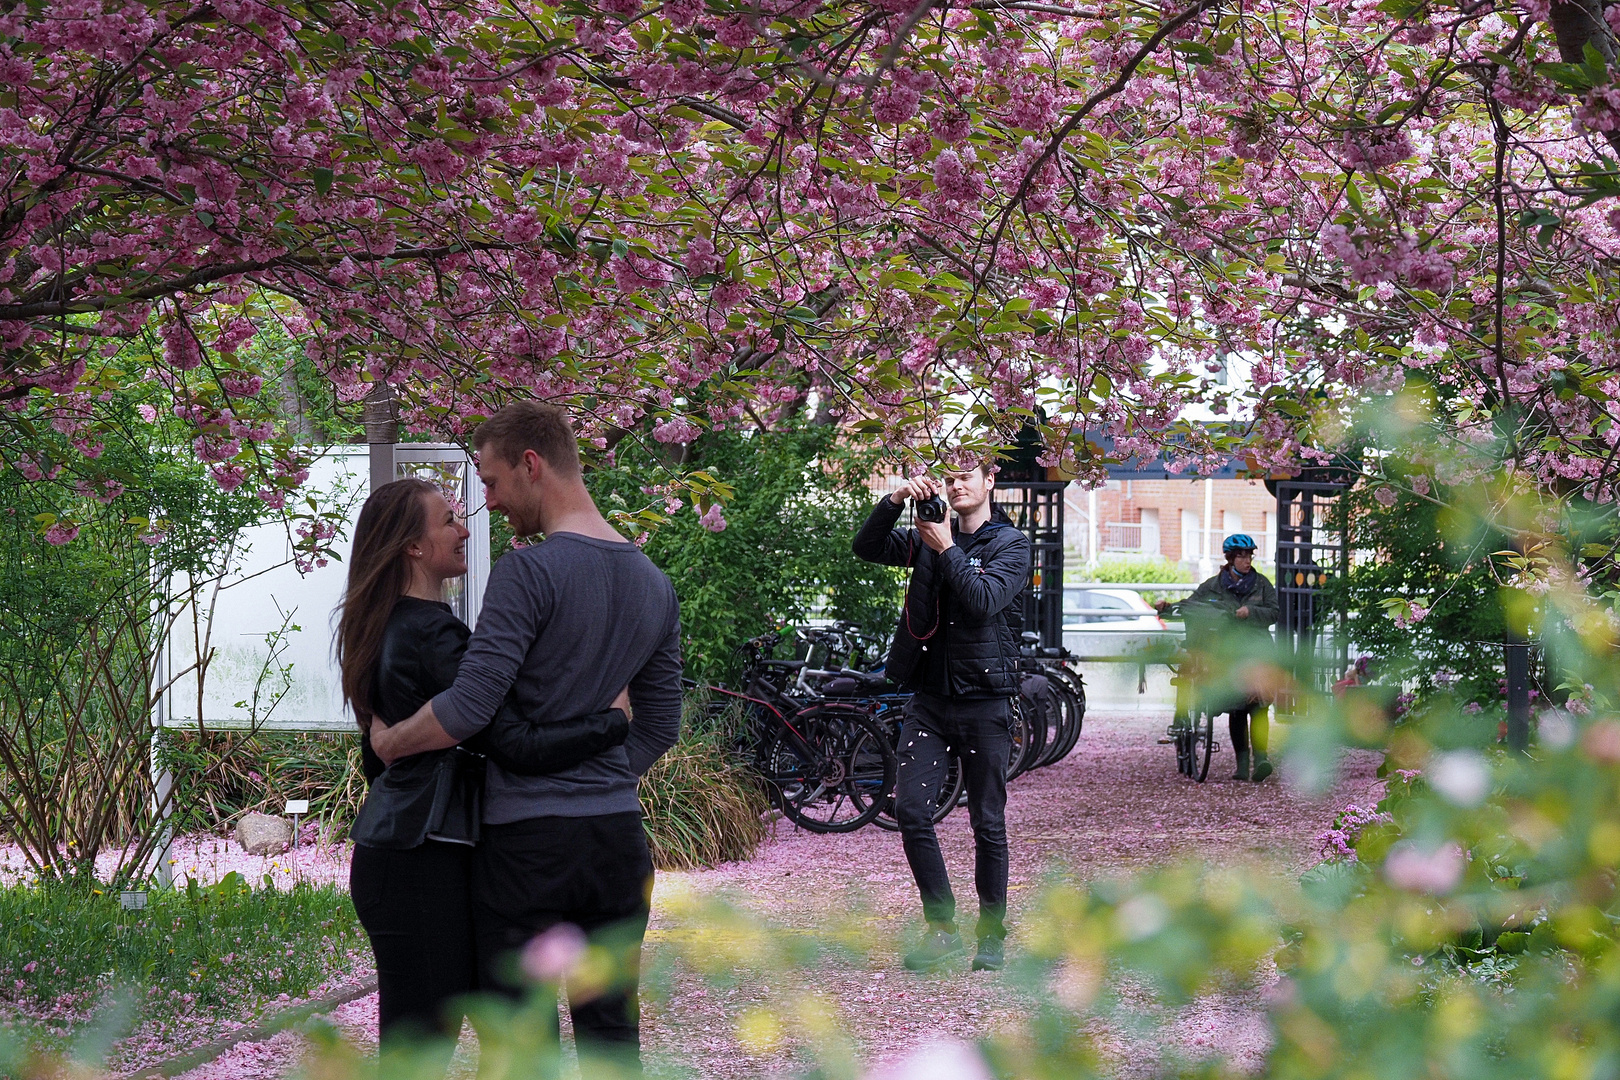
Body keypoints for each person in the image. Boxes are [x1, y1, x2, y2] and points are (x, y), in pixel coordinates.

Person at [370, 402, 682, 1074]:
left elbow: (473, 705)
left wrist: (393, 742)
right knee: (611, 1038)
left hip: (525, 850)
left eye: (490, 480)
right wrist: (601, 779)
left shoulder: (528, 573)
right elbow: (661, 722)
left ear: (530, 465)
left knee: (521, 1044)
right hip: (616, 843)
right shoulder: (654, 584)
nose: (487, 502)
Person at [335, 478, 633, 1066]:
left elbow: (382, 757)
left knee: (422, 1041)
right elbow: (514, 743)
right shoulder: (432, 633)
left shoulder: (384, 625)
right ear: (412, 546)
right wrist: (611, 723)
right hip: (421, 859)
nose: (466, 527)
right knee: (423, 1046)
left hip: (404, 853)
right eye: (448, 519)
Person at [853, 462, 1032, 973]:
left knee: (988, 823)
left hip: (986, 701)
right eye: (948, 479)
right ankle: (942, 928)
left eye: (966, 477)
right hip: (930, 701)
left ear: (989, 482)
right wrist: (892, 502)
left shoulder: (1010, 546)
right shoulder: (928, 538)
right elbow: (866, 548)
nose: (955, 486)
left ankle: (991, 936)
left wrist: (946, 548)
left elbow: (982, 602)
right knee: (910, 811)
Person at [1156, 533, 1280, 781]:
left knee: (1258, 707)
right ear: (1230, 558)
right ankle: (1242, 765)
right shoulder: (1213, 586)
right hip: (1227, 651)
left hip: (1256, 650)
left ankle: (1262, 760)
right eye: (1242, 556)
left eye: (1249, 556)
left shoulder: (1263, 584)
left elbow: (1274, 612)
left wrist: (1251, 612)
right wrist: (1167, 608)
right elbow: (1191, 605)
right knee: (1237, 709)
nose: (1247, 561)